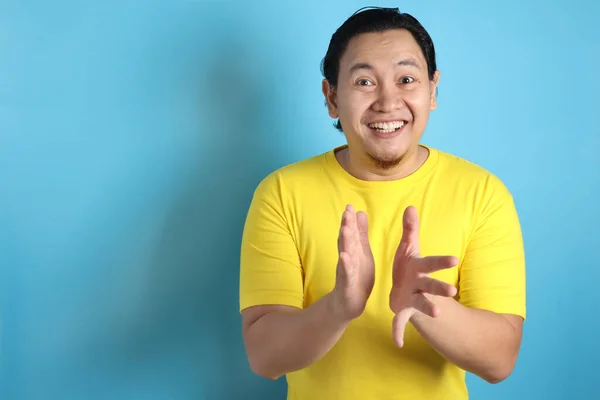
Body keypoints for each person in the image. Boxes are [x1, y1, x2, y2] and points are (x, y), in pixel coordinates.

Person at [239, 7, 526, 400]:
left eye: (406, 79)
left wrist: (423, 305)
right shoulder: (281, 193)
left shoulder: (483, 193)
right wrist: (339, 307)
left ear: (432, 89)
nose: (388, 102)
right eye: (364, 82)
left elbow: (500, 360)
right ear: (332, 97)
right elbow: (263, 357)